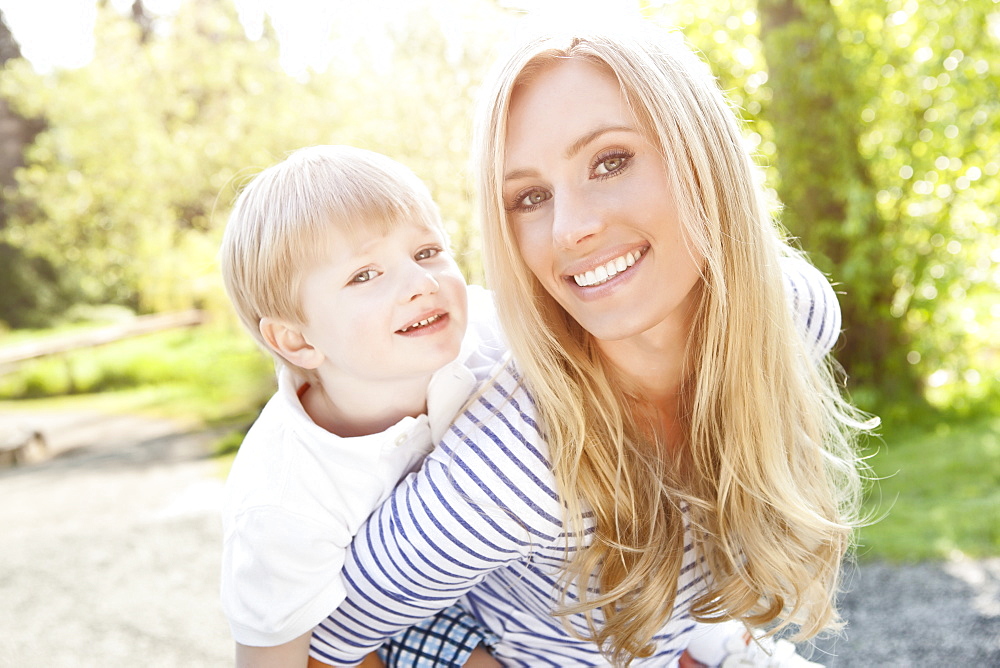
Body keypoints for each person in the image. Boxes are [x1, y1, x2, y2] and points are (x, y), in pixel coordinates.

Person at [309, 21, 873, 668]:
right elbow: (326, 638)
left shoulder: (797, 310)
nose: (571, 228)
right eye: (529, 197)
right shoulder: (519, 459)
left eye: (610, 161)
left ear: (702, 155)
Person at [218, 145, 503, 667]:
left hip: (497, 582)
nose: (423, 284)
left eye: (426, 252)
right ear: (298, 340)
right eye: (364, 275)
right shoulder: (284, 498)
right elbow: (273, 654)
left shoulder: (490, 329)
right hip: (372, 629)